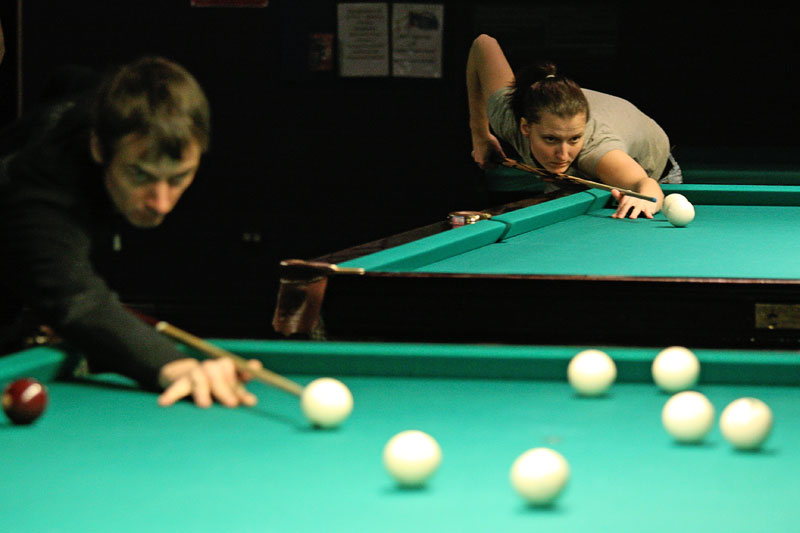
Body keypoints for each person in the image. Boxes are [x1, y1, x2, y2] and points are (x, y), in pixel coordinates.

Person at [0, 57, 261, 408]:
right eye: (140, 175)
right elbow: (78, 302)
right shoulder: (42, 191)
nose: (161, 202)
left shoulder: (111, 108)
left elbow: (68, 77)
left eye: (178, 177)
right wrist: (172, 364)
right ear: (98, 148)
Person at [467, 34, 681, 219]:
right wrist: (481, 136)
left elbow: (645, 185)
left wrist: (645, 199)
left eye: (574, 139)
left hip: (654, 171)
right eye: (551, 139)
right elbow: (483, 44)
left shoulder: (598, 151)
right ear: (525, 128)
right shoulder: (508, 115)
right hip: (578, 175)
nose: (562, 154)